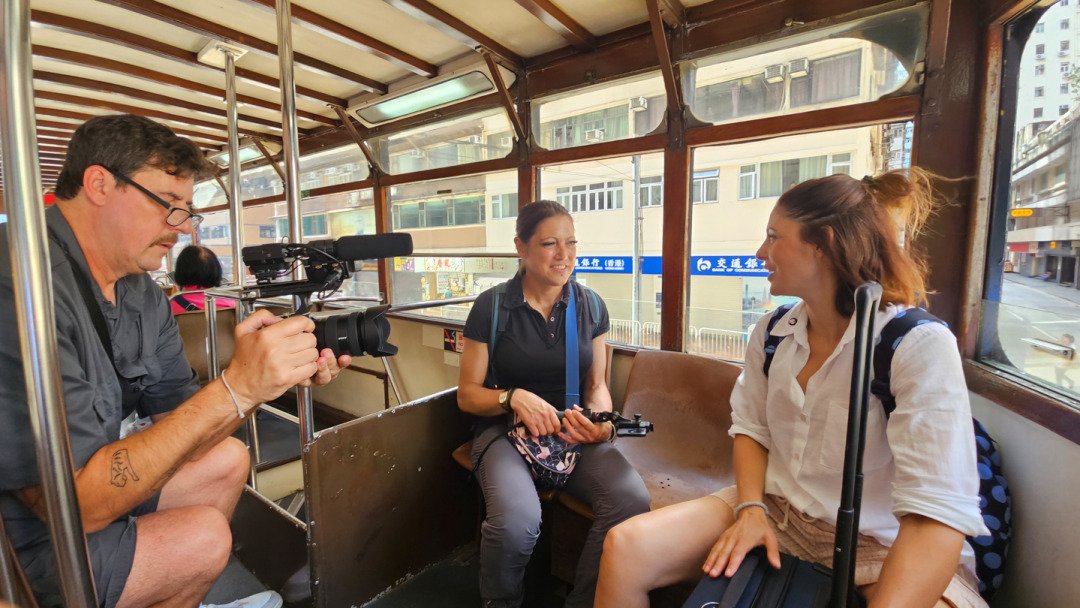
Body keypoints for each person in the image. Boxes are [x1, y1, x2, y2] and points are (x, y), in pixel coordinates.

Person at [0, 114, 352, 608]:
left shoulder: (142, 293)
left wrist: (263, 382)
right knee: (204, 539)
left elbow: (185, 425)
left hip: (91, 500)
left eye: (189, 211)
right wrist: (239, 387)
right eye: (170, 206)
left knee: (228, 458)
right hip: (26, 543)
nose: (184, 228)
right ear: (99, 183)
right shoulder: (21, 283)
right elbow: (72, 507)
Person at [595, 169, 989, 608]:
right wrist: (750, 509)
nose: (761, 251)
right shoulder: (773, 333)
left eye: (773, 237)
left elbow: (934, 516)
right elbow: (750, 428)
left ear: (824, 245)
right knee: (625, 547)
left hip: (880, 540)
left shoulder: (914, 344)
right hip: (776, 509)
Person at [457, 201, 650, 608]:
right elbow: (468, 395)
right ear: (521, 248)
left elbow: (597, 385)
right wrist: (512, 397)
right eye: (549, 243)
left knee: (630, 501)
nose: (564, 255)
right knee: (517, 525)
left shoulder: (591, 306)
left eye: (571, 243)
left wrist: (597, 423)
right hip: (505, 434)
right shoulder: (492, 307)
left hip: (569, 432)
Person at [170, 245, 237, 314]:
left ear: (180, 271)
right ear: (216, 270)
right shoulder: (233, 304)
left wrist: (175, 298)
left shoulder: (171, 305)